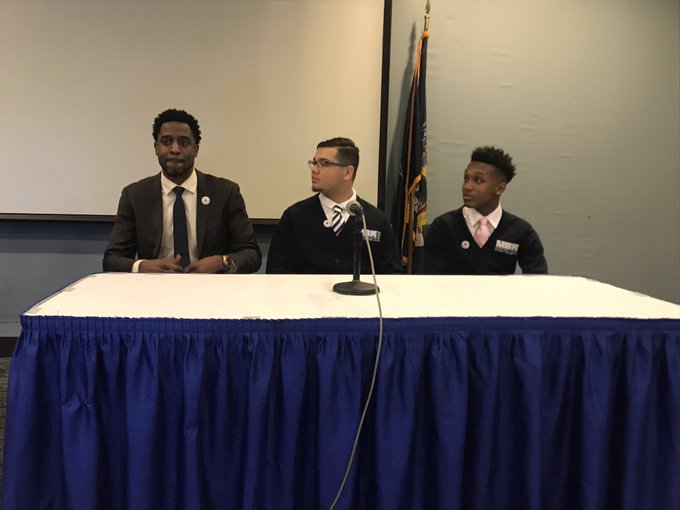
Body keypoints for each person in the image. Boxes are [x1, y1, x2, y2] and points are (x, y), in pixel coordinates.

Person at [103, 108, 261, 273]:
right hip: (153, 288)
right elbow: (112, 259)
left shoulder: (225, 193)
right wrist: (143, 266)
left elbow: (251, 254)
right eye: (166, 142)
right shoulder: (135, 196)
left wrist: (222, 261)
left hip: (211, 289)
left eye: (184, 143)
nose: (175, 149)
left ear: (196, 149)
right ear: (156, 148)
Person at [266, 137, 402, 274]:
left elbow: (393, 276)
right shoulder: (294, 217)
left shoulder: (376, 220)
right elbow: (276, 272)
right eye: (314, 163)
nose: (314, 170)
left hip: (360, 296)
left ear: (347, 172)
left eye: (324, 163)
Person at [425, 146, 547, 275]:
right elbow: (432, 280)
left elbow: (538, 280)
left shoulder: (521, 231)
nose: (467, 187)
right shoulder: (444, 226)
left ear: (499, 188)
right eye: (466, 178)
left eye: (478, 180)